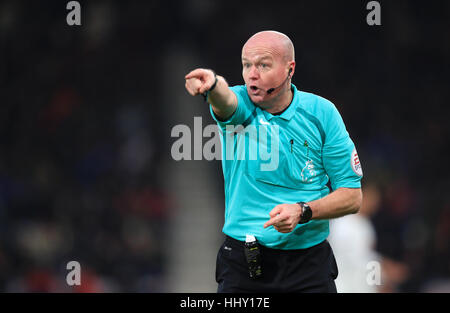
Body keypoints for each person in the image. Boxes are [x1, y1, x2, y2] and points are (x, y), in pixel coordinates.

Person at [184, 30, 363, 293]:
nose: (251, 74)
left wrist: (303, 211)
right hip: (244, 267)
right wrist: (212, 85)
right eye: (246, 65)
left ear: (289, 69)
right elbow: (225, 101)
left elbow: (352, 196)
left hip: (309, 266)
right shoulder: (242, 105)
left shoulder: (322, 114)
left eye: (263, 65)